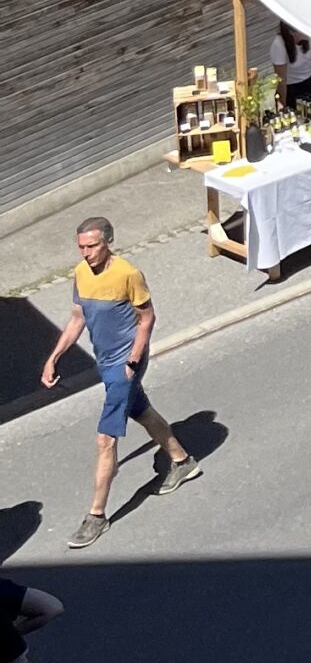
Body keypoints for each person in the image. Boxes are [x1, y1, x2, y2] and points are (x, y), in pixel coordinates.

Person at [38, 221, 198, 551]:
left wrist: (132, 361)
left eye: (92, 246)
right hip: (106, 361)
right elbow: (77, 319)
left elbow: (147, 318)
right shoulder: (81, 273)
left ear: (108, 243)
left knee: (105, 439)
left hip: (125, 365)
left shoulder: (128, 273)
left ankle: (96, 515)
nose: (86, 253)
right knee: (140, 410)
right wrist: (54, 357)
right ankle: (182, 462)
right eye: (81, 247)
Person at [270, 20, 311, 118]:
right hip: (292, 89)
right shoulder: (279, 45)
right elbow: (281, 80)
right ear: (292, 33)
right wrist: (281, 106)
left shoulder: (309, 35)